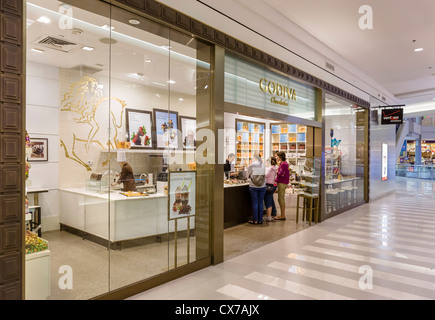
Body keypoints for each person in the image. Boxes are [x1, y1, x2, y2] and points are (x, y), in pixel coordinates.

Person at [247, 152, 266, 224]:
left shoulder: (251, 165)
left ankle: (255, 220)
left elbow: (247, 175)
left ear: (254, 157)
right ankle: (260, 220)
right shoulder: (263, 165)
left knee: (255, 203)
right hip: (262, 186)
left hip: (253, 186)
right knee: (261, 203)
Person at [274, 151, 289, 220]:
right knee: (280, 198)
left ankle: (283, 215)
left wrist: (277, 171)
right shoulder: (282, 164)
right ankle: (282, 214)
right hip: (282, 182)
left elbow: (279, 174)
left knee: (281, 199)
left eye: (277, 156)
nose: (276, 158)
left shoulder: (284, 164)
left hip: (282, 183)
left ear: (280, 157)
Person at [264, 156, 277, 222]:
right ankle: (272, 213)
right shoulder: (274, 168)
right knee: (270, 199)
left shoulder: (269, 169)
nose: (265, 163)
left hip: (267, 185)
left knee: (268, 201)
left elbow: (265, 175)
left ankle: (269, 217)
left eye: (266, 162)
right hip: (272, 185)